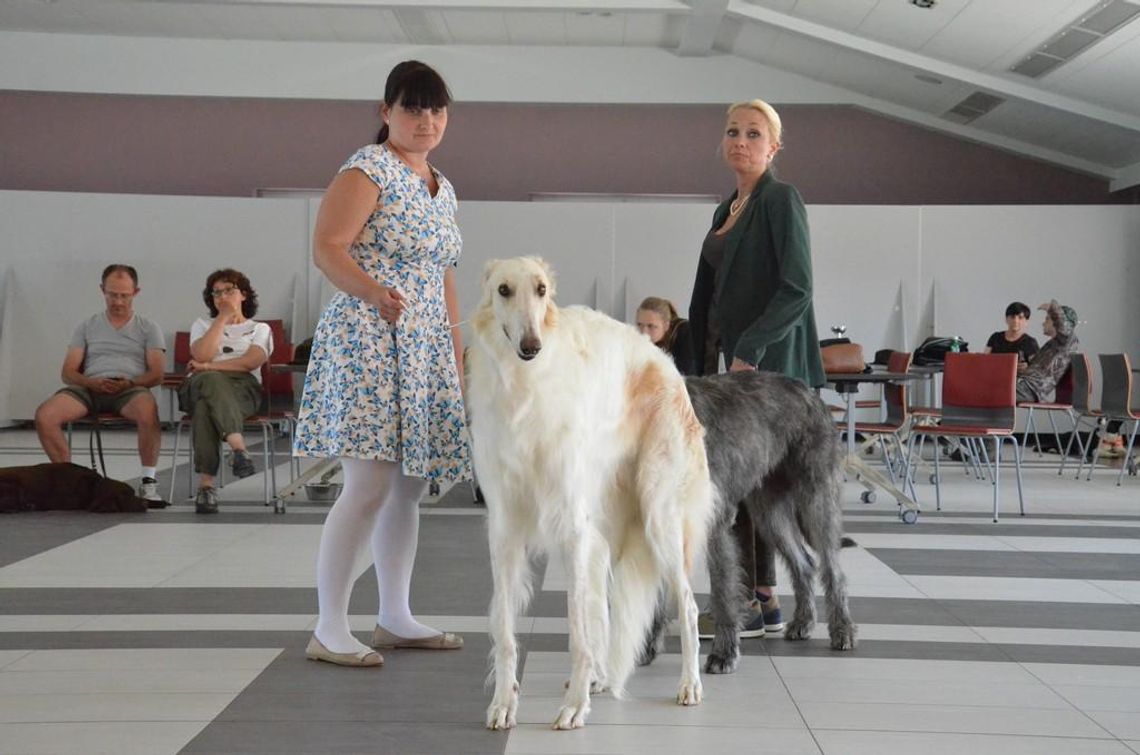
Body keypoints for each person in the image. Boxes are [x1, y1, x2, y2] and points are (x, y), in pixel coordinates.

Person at [294, 60, 470, 667]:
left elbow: (445, 272)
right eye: (413, 108)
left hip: (423, 348)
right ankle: (329, 627)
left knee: (408, 487)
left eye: (436, 110)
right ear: (386, 112)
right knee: (367, 483)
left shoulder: (441, 186)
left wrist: (455, 353)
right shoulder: (367, 169)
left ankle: (395, 614)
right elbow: (327, 248)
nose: (426, 121)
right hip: (370, 339)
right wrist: (372, 291)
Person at [688, 99, 824, 640]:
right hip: (725, 372)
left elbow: (798, 287)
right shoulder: (726, 209)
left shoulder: (780, 199)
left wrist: (751, 350)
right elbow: (711, 295)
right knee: (734, 482)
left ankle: (757, 598)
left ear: (774, 147)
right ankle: (755, 600)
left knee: (761, 485)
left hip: (769, 370)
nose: (740, 141)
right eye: (732, 132)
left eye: (753, 133)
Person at [34, 264, 166, 503]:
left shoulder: (148, 327)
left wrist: (129, 383)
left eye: (124, 295)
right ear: (102, 290)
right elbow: (68, 371)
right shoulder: (87, 326)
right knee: (45, 415)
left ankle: (148, 480)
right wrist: (90, 382)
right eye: (112, 294)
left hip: (130, 389)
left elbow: (157, 373)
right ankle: (68, 479)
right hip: (89, 387)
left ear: (135, 292)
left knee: (148, 411)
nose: (117, 301)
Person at [177, 268, 273, 514]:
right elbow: (202, 353)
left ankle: (206, 487)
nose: (222, 296)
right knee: (210, 381)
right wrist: (222, 318)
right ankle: (239, 447)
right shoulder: (202, 325)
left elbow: (250, 362)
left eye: (228, 290)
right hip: (201, 383)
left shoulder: (260, 329)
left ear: (243, 295)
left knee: (204, 407)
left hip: (243, 389)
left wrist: (209, 366)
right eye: (216, 293)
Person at [1016, 300, 1079, 404]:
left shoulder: (1069, 341)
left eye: (1047, 319)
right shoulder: (1054, 345)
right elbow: (1039, 372)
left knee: (988, 389)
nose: (1043, 323)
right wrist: (1024, 369)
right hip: (1024, 387)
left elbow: (1065, 327)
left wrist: (1053, 309)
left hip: (1030, 391)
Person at [635, 296, 695, 375]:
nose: (643, 332)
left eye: (651, 326)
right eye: (639, 324)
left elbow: (684, 376)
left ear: (666, 325)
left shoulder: (686, 334)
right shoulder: (637, 340)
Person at [985, 301, 1039, 371]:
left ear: (1026, 321)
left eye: (1020, 317)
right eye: (1012, 317)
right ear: (1006, 319)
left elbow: (1037, 368)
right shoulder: (995, 337)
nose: (1016, 321)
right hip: (994, 377)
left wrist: (1027, 368)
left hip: (1018, 380)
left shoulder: (1030, 342)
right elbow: (984, 360)